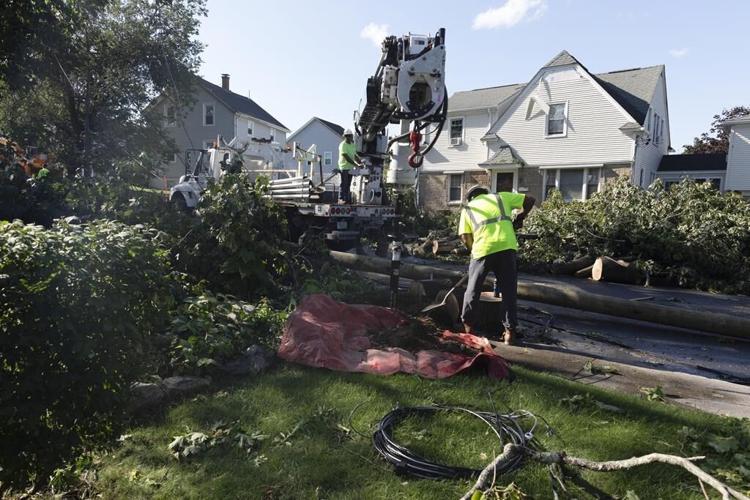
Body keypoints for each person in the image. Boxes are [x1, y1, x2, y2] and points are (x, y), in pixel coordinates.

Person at [458, 185, 535, 345]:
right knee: (508, 291)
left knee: (473, 290)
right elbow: (530, 200)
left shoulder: (468, 209)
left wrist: (473, 251)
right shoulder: (501, 197)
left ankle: (468, 329)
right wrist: (521, 217)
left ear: (470, 198)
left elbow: (465, 237)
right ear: (486, 193)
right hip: (507, 247)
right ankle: (509, 333)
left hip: (482, 250)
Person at [337, 129, 363, 203]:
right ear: (345, 137)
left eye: (350, 136)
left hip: (350, 167)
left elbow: (354, 156)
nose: (349, 137)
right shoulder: (342, 145)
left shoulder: (352, 145)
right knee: (344, 183)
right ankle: (341, 198)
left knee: (348, 184)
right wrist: (356, 165)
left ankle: (346, 199)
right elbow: (346, 157)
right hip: (344, 167)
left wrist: (360, 162)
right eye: (347, 136)